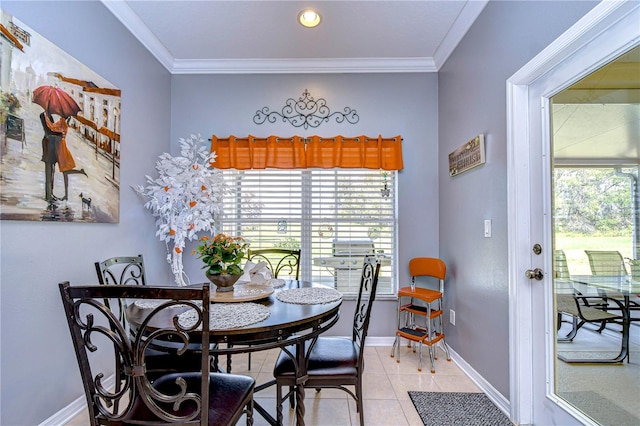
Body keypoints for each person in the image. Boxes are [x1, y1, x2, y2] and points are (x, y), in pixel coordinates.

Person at [42, 113, 87, 201]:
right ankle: (66, 194)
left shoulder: (62, 122)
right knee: (65, 172)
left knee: (65, 171)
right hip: (61, 148)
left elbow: (52, 127)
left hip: (61, 149)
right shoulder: (64, 123)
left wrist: (46, 118)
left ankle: (66, 194)